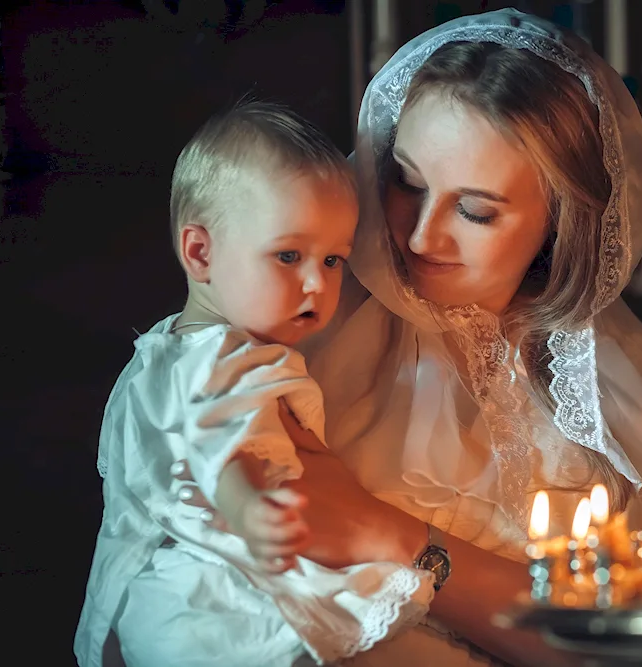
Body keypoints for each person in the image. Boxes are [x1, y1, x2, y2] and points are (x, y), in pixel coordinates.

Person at [118, 9, 642, 667]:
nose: (423, 235)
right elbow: (164, 554)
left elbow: (634, 649)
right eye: (406, 179)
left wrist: (395, 534)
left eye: (476, 210)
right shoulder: (294, 322)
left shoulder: (613, 388)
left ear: (561, 218)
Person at [74, 101, 436, 667]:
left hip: (157, 599)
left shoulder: (163, 352)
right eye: (288, 255)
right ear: (200, 252)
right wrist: (246, 506)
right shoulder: (225, 358)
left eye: (334, 260)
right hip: (215, 604)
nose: (316, 283)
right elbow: (222, 444)